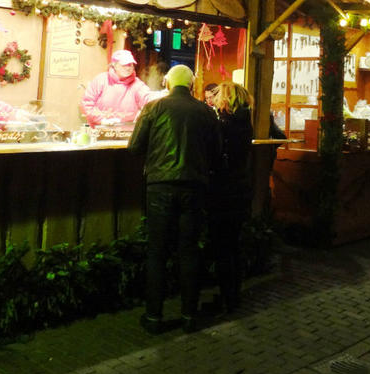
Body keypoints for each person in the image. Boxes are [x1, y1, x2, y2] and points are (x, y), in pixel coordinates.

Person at [128, 65, 221, 334]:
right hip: (194, 187)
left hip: (160, 185)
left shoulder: (154, 108)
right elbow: (216, 153)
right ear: (192, 84)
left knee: (157, 252)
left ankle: (154, 317)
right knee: (189, 251)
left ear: (168, 83)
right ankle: (189, 316)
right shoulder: (206, 111)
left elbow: (134, 147)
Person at [206, 81, 254, 314]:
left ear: (225, 100)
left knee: (222, 245)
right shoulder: (246, 122)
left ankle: (228, 298)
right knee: (234, 244)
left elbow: (212, 154)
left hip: (223, 191)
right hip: (241, 189)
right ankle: (233, 295)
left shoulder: (221, 125)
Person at [81, 49, 151, 128]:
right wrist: (102, 120)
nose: (128, 68)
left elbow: (148, 97)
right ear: (114, 65)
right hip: (100, 131)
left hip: (126, 133)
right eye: (124, 65)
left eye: (130, 65)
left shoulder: (137, 84)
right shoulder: (100, 80)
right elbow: (87, 104)